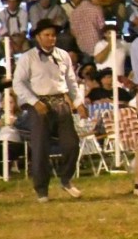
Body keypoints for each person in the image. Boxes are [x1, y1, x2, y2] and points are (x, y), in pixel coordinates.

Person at [12, 19, 87, 202]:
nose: (51, 38)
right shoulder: (28, 57)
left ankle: (66, 179)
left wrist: (79, 102)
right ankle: (42, 190)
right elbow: (17, 83)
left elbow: (71, 82)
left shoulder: (63, 55)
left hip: (61, 102)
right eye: (46, 35)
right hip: (40, 105)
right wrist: (33, 101)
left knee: (71, 144)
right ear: (38, 37)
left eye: (53, 35)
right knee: (40, 149)